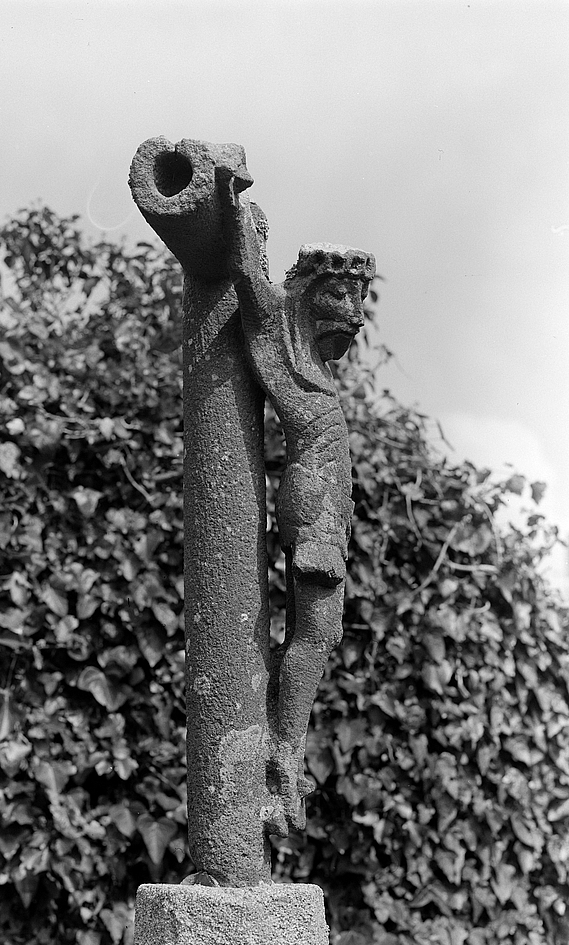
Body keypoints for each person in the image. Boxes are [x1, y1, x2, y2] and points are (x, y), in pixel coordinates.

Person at [216, 167, 375, 832]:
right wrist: (233, 210)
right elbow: (253, 289)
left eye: (357, 297)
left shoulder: (309, 364)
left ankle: (285, 745)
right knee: (316, 633)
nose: (353, 313)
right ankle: (284, 750)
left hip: (326, 512)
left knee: (318, 634)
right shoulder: (286, 353)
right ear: (308, 295)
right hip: (313, 513)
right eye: (337, 293)